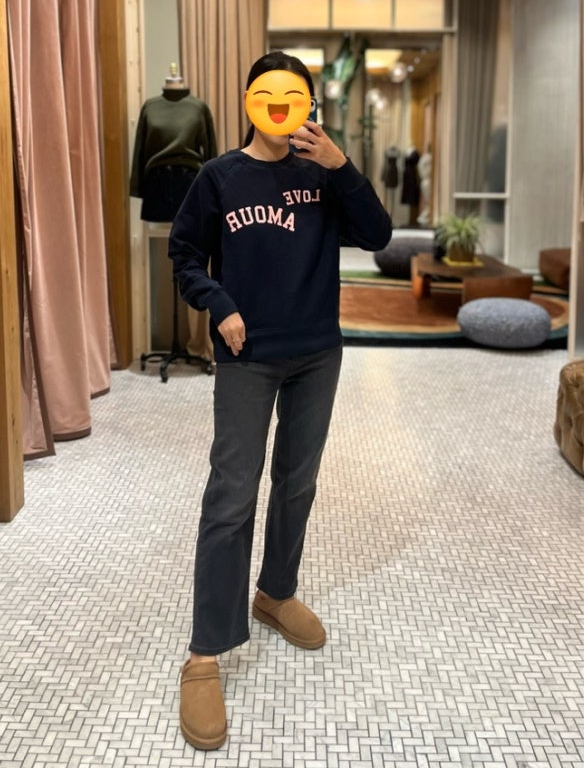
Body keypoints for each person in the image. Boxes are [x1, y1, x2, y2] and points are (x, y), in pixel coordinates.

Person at [168, 50, 392, 750]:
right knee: (231, 492)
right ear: (249, 100)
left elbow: (379, 235)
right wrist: (219, 303)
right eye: (267, 94)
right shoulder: (219, 177)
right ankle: (204, 652)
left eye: (291, 95)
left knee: (297, 480)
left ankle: (274, 592)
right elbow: (184, 255)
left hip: (317, 351)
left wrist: (341, 166)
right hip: (247, 354)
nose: (278, 106)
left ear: (305, 104)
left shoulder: (322, 173)